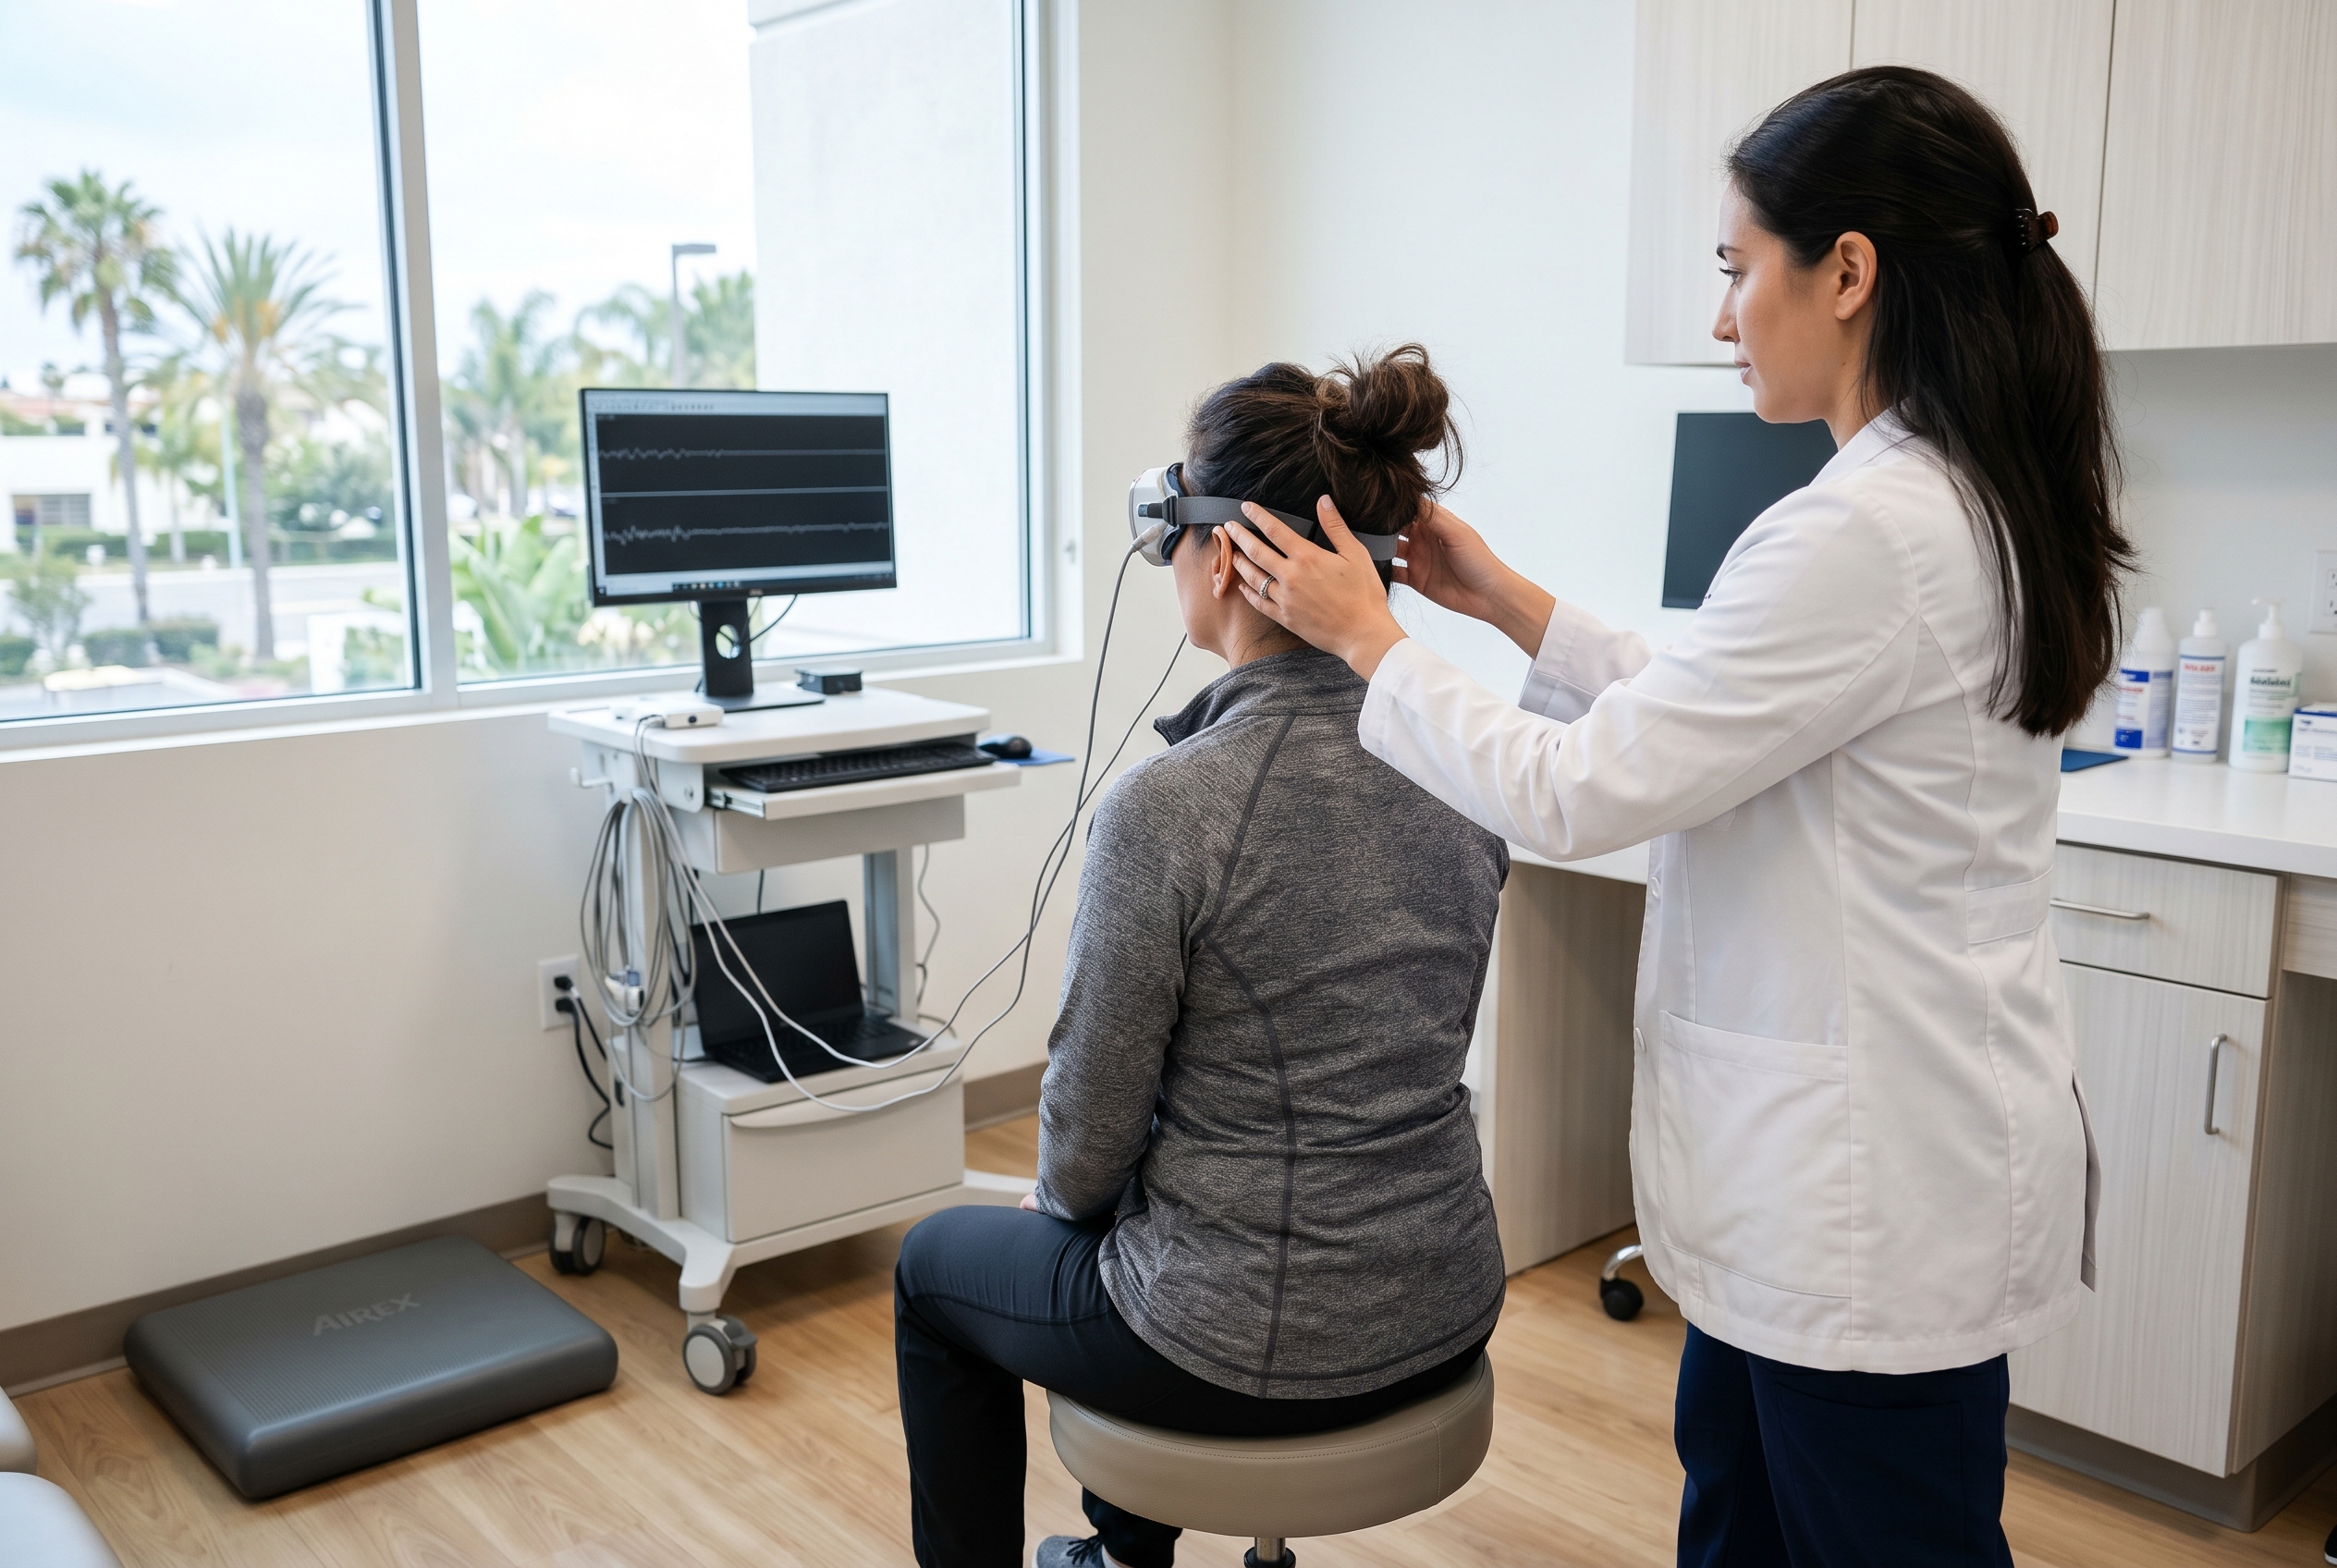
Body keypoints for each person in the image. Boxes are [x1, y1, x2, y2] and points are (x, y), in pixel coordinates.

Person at [1224, 67, 2127, 1567]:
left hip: (1858, 1211)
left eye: (1735, 269)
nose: (1722, 317)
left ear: (1848, 274)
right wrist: (1496, 595)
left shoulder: (1861, 530)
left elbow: (1581, 791)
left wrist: (1370, 641)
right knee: (1741, 1525)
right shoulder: (1937, 498)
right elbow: (1711, 712)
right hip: (1823, 1197)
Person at [893, 346, 1510, 1568]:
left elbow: (1083, 1145)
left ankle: (1119, 1548)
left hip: (1241, 1346)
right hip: (1443, 1303)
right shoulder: (1473, 763)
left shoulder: (1171, 810)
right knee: (1149, 1212)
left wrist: (1067, 1199)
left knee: (934, 1270)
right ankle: (1124, 1545)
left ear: (1220, 553)